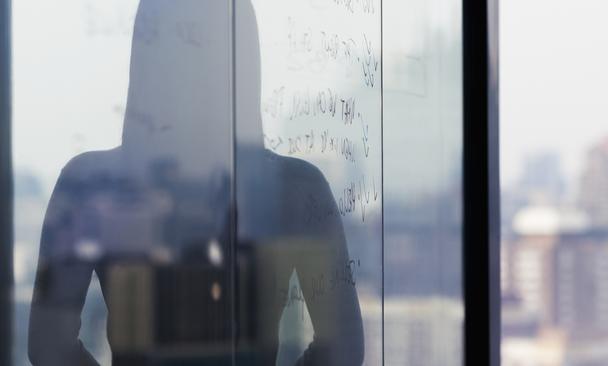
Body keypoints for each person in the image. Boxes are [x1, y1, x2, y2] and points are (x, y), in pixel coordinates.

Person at [28, 1, 364, 365]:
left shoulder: (89, 185)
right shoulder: (297, 187)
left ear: (144, 58)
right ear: (242, 60)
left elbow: (49, 347)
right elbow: (342, 352)